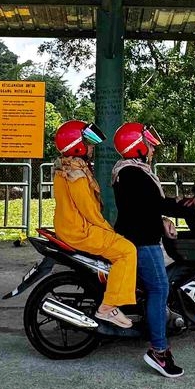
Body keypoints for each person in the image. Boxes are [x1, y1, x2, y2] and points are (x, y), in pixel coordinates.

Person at [111, 122, 195, 380]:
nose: (152, 148)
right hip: (142, 241)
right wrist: (189, 210)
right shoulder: (133, 173)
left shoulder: (132, 171)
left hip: (142, 234)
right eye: (148, 144)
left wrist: (164, 218)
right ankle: (159, 352)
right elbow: (157, 203)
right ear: (136, 146)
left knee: (154, 287)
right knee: (159, 288)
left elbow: (145, 208)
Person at [50, 119, 138, 329]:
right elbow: (90, 212)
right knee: (127, 251)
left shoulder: (65, 168)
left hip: (70, 227)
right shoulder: (76, 175)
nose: (91, 148)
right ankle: (108, 307)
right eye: (88, 144)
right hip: (80, 231)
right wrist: (109, 230)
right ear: (77, 146)